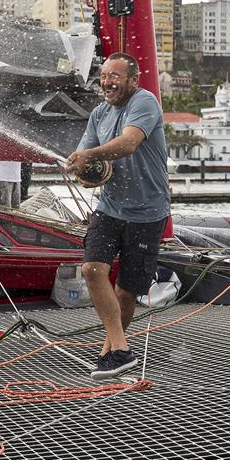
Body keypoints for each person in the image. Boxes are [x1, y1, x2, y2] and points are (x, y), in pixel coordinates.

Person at [65, 52, 170, 381]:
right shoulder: (98, 114)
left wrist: (89, 156)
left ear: (133, 80)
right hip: (110, 208)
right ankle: (121, 350)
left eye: (115, 76)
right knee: (92, 269)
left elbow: (128, 143)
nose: (107, 82)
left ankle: (111, 351)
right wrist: (85, 170)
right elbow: (86, 169)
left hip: (147, 212)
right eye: (104, 76)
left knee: (127, 290)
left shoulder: (144, 102)